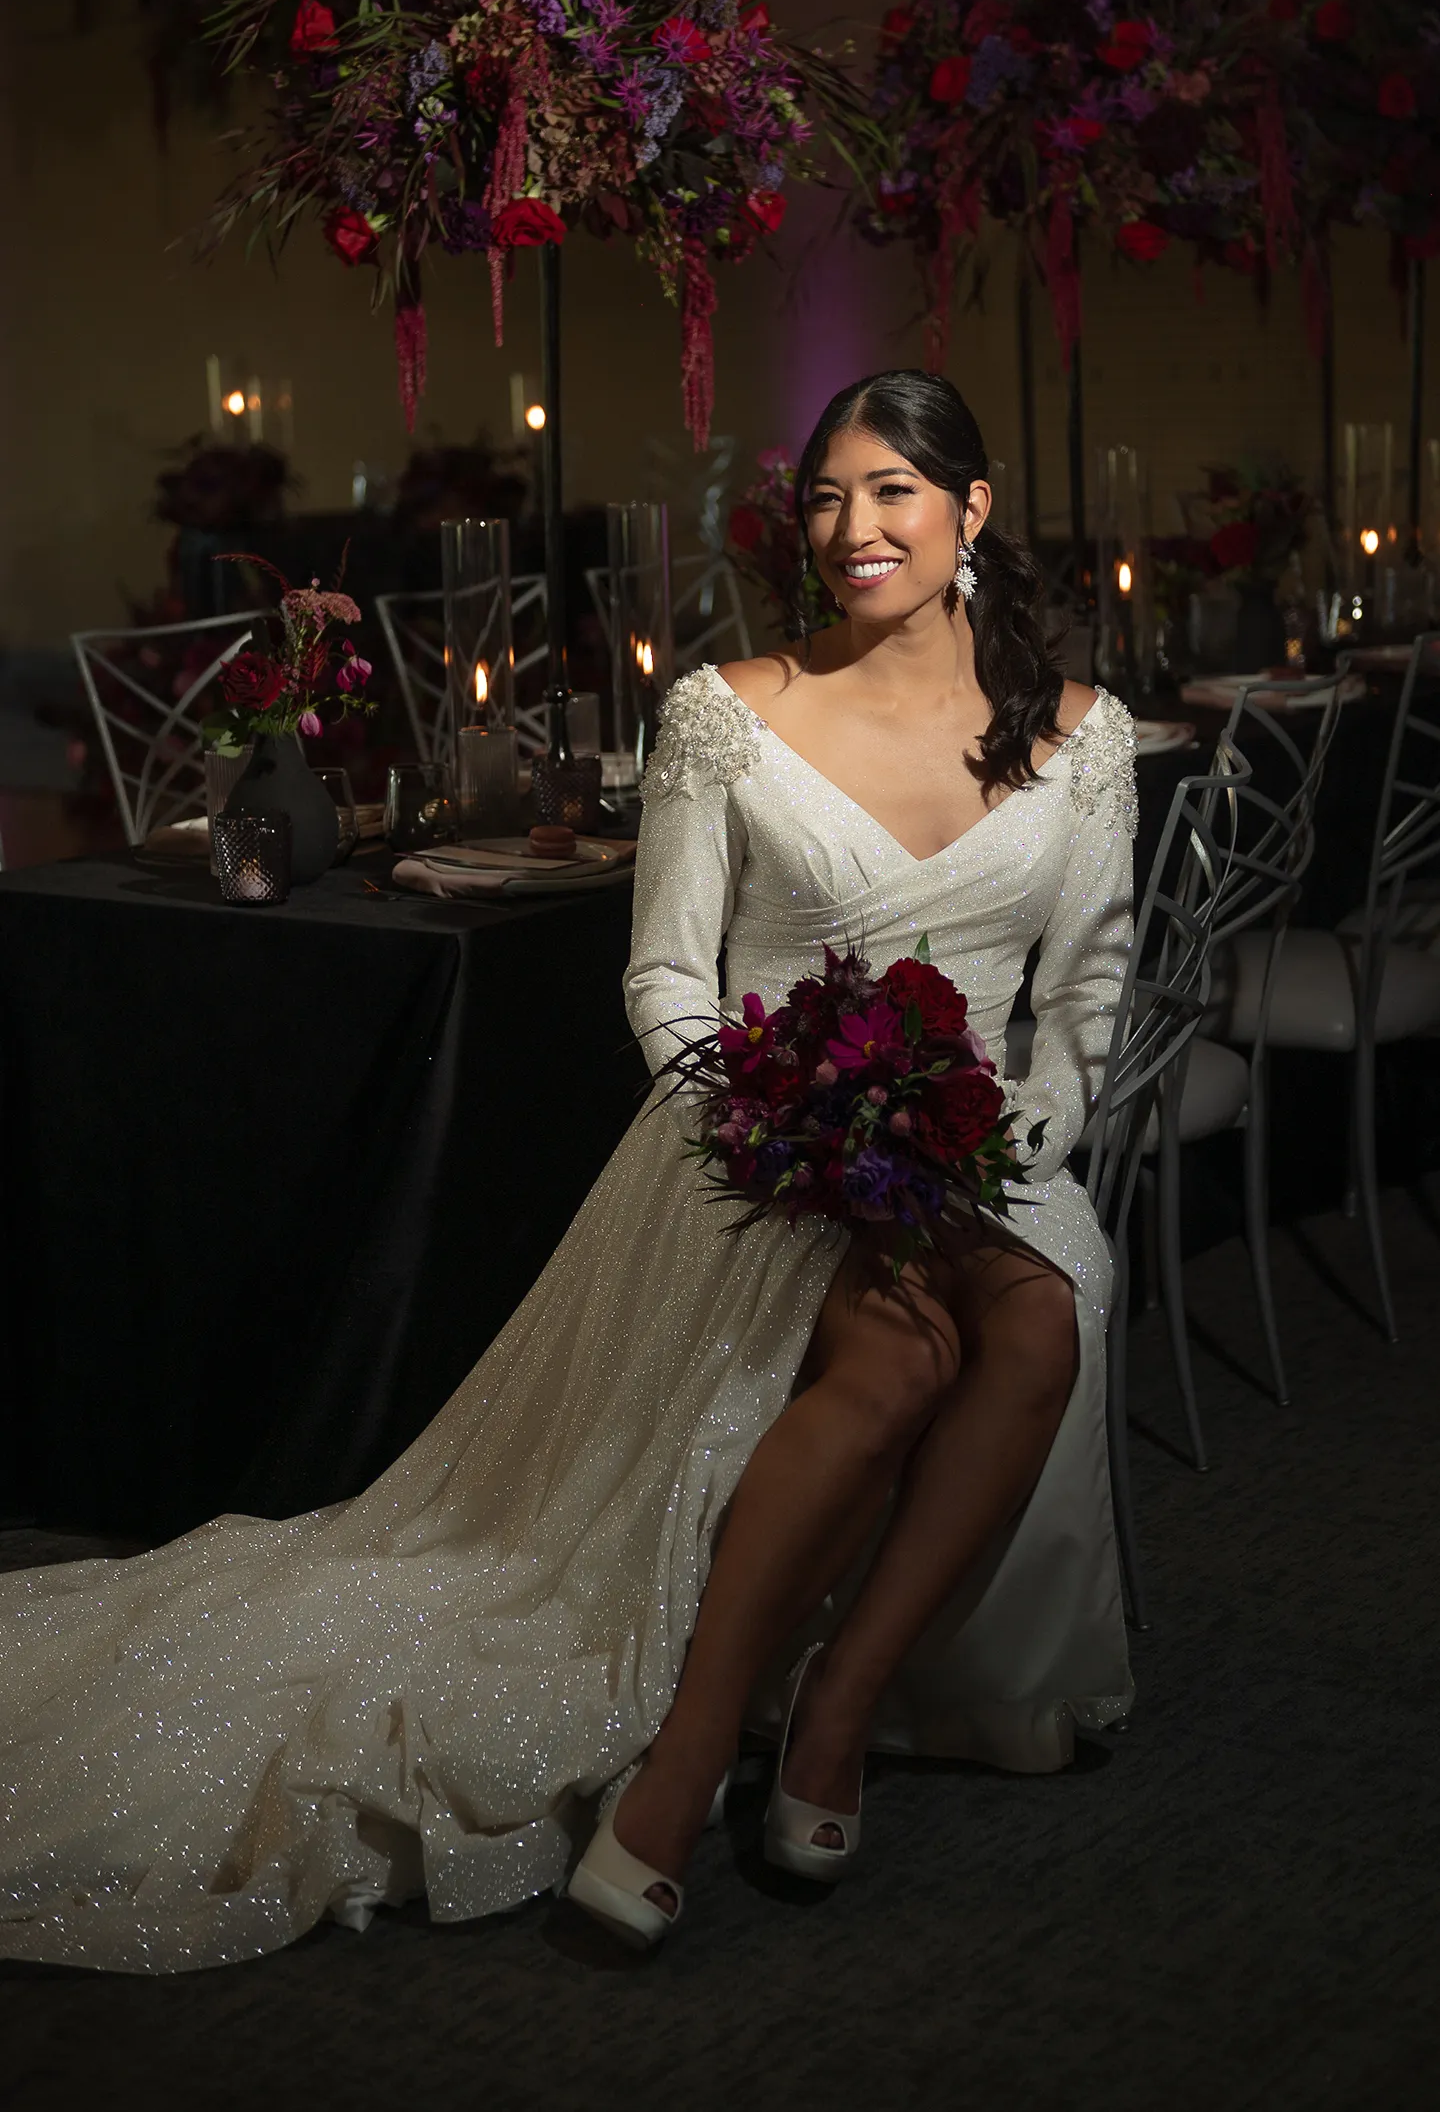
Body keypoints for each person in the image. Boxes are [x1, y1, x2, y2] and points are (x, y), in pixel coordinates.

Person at [0, 370, 1136, 1973]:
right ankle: (694, 1748)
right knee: (892, 1361)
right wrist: (773, 1127)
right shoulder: (728, 709)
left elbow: (1085, 998)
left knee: (1039, 1319)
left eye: (893, 489)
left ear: (974, 508)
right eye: (826, 495)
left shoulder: (1087, 737)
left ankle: (842, 1701)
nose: (855, 526)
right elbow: (666, 977)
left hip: (978, 1152)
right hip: (758, 1146)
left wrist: (1018, 1136)